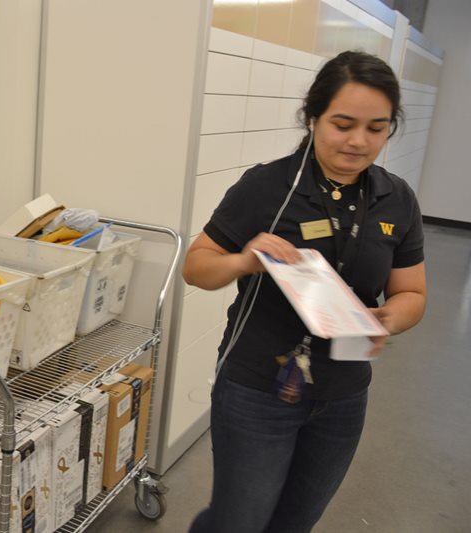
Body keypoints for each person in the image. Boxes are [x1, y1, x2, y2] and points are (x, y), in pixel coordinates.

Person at [183, 50, 427, 533]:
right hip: (258, 388)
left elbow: (412, 293)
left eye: (376, 128)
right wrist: (243, 260)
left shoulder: (396, 198)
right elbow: (197, 268)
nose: (359, 141)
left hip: (344, 394)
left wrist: (388, 319)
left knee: (295, 522)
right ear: (313, 117)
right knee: (238, 522)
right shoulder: (268, 187)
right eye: (343, 124)